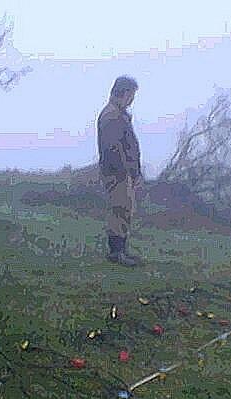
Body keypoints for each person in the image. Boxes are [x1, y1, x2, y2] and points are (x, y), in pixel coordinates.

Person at [97, 76, 144, 267]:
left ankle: (121, 249)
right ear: (123, 93)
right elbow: (113, 148)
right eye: (131, 94)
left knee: (125, 209)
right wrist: (126, 171)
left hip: (123, 172)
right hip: (116, 172)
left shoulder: (119, 114)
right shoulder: (111, 116)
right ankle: (116, 252)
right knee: (120, 209)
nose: (132, 99)